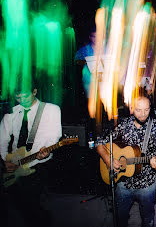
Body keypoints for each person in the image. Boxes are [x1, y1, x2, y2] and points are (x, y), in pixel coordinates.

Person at [96, 96, 156, 227]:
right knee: (120, 218)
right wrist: (108, 160)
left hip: (147, 184)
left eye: (146, 110)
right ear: (132, 109)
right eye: (139, 110)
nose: (143, 114)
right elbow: (99, 142)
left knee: (148, 219)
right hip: (123, 183)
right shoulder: (123, 124)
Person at [0, 81, 62, 227]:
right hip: (14, 164)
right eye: (18, 97)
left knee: (33, 204)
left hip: (39, 163)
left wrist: (45, 152)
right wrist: (4, 161)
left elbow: (53, 137)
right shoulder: (12, 113)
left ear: (34, 91)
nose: (22, 101)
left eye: (25, 96)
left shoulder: (51, 110)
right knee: (18, 206)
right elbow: (2, 140)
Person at [75, 28, 96, 98]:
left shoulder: (104, 48)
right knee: (90, 99)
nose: (96, 39)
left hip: (102, 80)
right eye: (94, 37)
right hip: (89, 79)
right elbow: (76, 60)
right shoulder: (84, 49)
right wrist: (86, 62)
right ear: (90, 37)